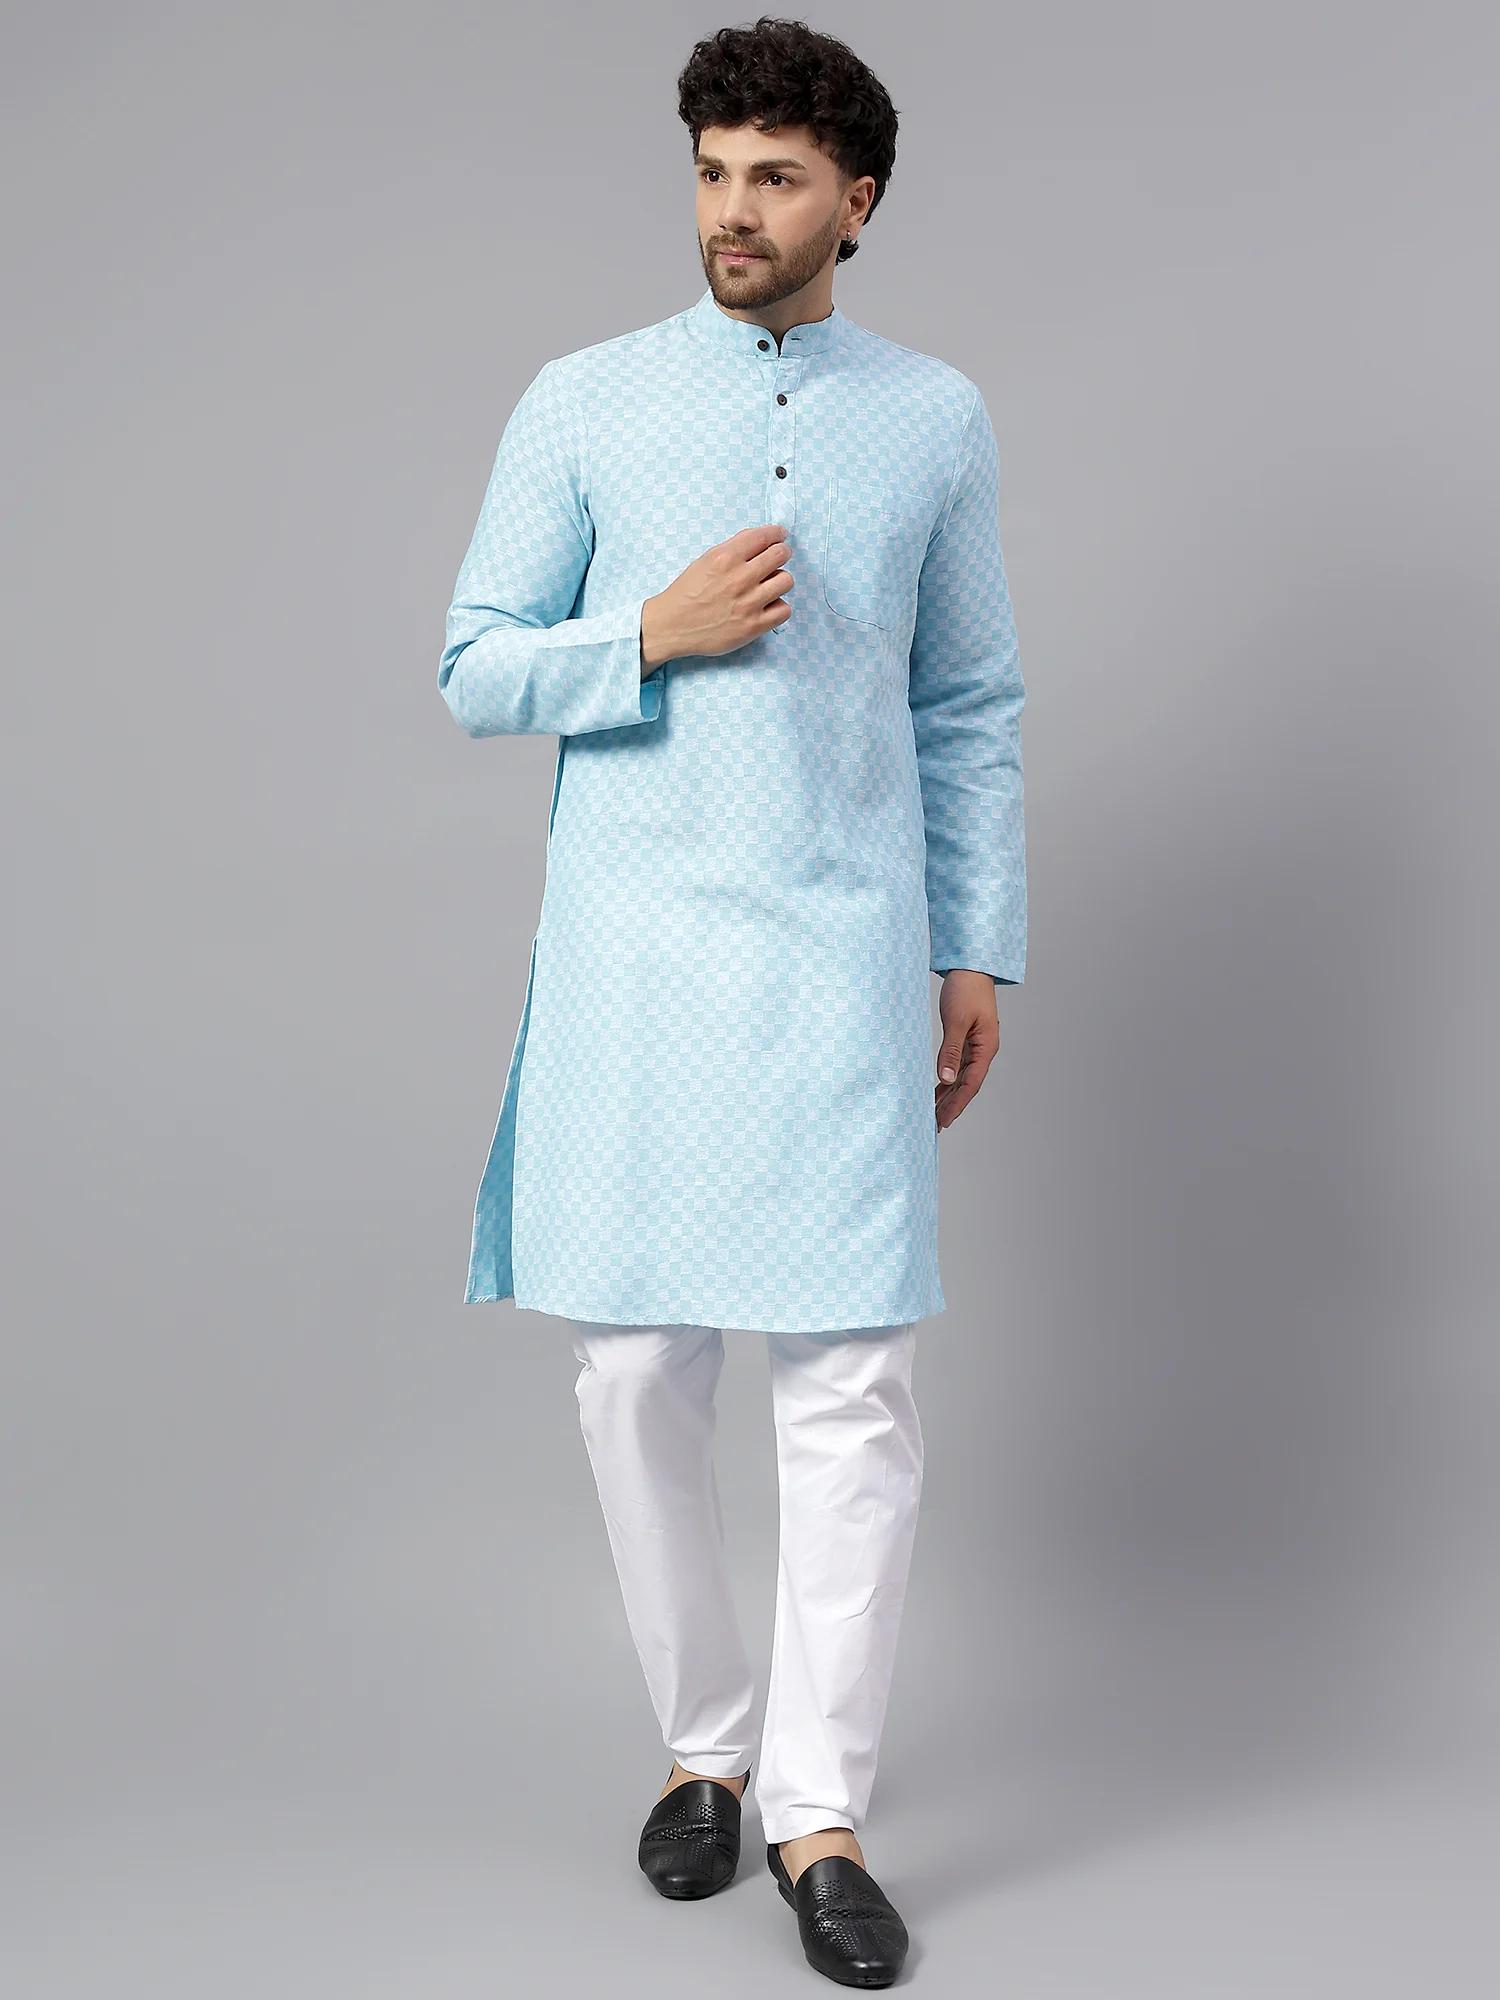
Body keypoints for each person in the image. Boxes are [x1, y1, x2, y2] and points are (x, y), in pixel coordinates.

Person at [437, 16, 1025, 1987]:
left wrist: (975, 943)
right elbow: (473, 662)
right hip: (637, 958)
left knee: (851, 1388)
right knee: (632, 1372)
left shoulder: (933, 417)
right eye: (711, 172)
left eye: (775, 176)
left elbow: (968, 700)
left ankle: (817, 1810)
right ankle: (706, 1749)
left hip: (845, 954)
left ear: (858, 200)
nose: (733, 211)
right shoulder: (585, 400)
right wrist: (650, 632)